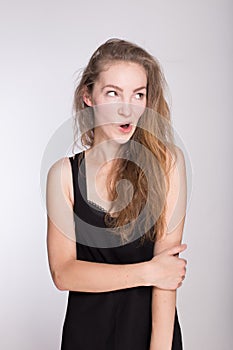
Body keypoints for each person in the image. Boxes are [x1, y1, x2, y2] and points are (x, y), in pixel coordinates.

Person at [46, 38, 187, 350]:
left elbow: (168, 282)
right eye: (113, 93)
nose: (127, 108)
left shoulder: (167, 164)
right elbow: (64, 273)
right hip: (86, 335)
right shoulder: (63, 175)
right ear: (88, 96)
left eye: (138, 94)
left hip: (151, 336)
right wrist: (149, 271)